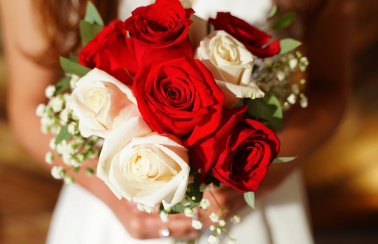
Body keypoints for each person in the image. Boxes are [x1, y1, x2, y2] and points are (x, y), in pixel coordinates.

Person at [0, 0, 353, 243]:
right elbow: (28, 103)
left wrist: (258, 171)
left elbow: (330, 88)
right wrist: (120, 195)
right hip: (110, 216)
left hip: (257, 203)